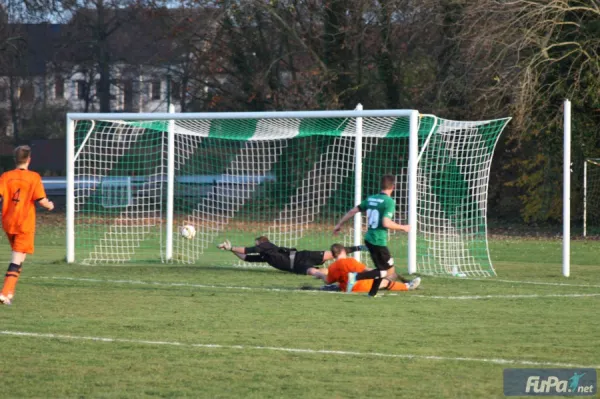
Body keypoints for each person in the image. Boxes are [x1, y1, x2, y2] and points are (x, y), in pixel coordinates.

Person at [333, 174, 410, 297]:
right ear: (393, 187)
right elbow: (386, 222)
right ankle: (356, 276)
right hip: (378, 241)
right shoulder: (389, 201)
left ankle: (371, 294)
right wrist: (403, 227)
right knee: (387, 271)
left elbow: (353, 210)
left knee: (382, 269)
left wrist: (339, 224)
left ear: (381, 186)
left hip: (369, 239)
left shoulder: (371, 199)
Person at [0, 145, 54, 305]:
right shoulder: (34, 177)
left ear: (15, 160)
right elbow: (41, 200)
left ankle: (9, 294)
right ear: (29, 160)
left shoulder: (6, 176)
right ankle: (4, 292)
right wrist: (50, 205)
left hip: (9, 222)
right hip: (24, 223)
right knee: (17, 258)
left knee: (20, 256)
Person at [217, 236, 363, 277]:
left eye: (258, 244)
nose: (258, 247)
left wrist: (232, 247)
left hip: (300, 256)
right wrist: (230, 250)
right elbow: (246, 258)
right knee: (315, 272)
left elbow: (248, 250)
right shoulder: (265, 256)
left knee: (332, 253)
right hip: (296, 266)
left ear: (262, 242)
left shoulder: (267, 245)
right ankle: (345, 275)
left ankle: (358, 248)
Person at [322, 243, 420, 293]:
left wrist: (319, 274)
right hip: (359, 287)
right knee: (384, 282)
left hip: (346, 288)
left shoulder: (332, 267)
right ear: (343, 251)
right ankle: (408, 286)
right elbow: (365, 271)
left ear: (333, 255)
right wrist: (380, 272)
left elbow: (328, 281)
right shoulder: (350, 261)